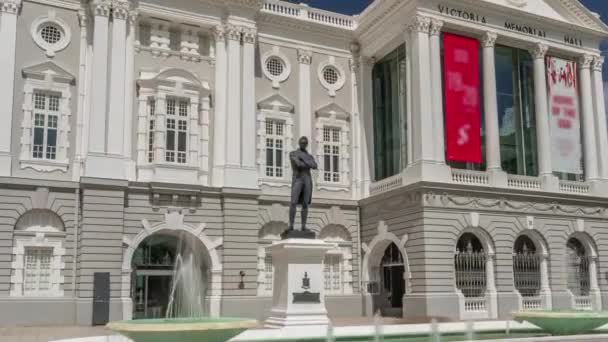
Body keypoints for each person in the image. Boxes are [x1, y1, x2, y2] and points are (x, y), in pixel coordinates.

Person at [284, 136, 317, 238]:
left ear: (307, 144)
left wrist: (303, 159)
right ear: (299, 143)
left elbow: (314, 166)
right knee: (293, 202)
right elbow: (298, 164)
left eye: (305, 143)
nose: (304, 144)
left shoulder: (309, 156)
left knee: (305, 204)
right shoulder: (293, 153)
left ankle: (303, 226)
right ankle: (291, 225)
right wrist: (307, 163)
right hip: (298, 178)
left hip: (307, 179)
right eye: (302, 143)